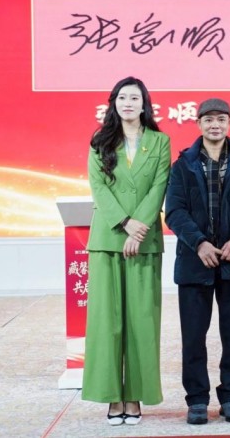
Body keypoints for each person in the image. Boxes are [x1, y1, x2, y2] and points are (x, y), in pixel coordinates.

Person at [165, 98, 230, 425]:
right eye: (208, 119)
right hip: (195, 263)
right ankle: (197, 399)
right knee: (194, 336)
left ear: (229, 123)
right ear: (198, 124)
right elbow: (174, 211)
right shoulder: (183, 164)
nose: (215, 125)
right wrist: (199, 243)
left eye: (221, 119)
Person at [82, 76, 171, 426]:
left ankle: (134, 397)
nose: (128, 103)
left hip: (144, 242)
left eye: (135, 98)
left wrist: (139, 227)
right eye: (122, 97)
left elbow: (159, 186)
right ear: (114, 103)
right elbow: (99, 188)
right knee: (106, 322)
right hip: (108, 239)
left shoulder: (160, 141)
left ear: (144, 104)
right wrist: (124, 223)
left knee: (141, 322)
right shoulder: (100, 141)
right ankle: (112, 396)